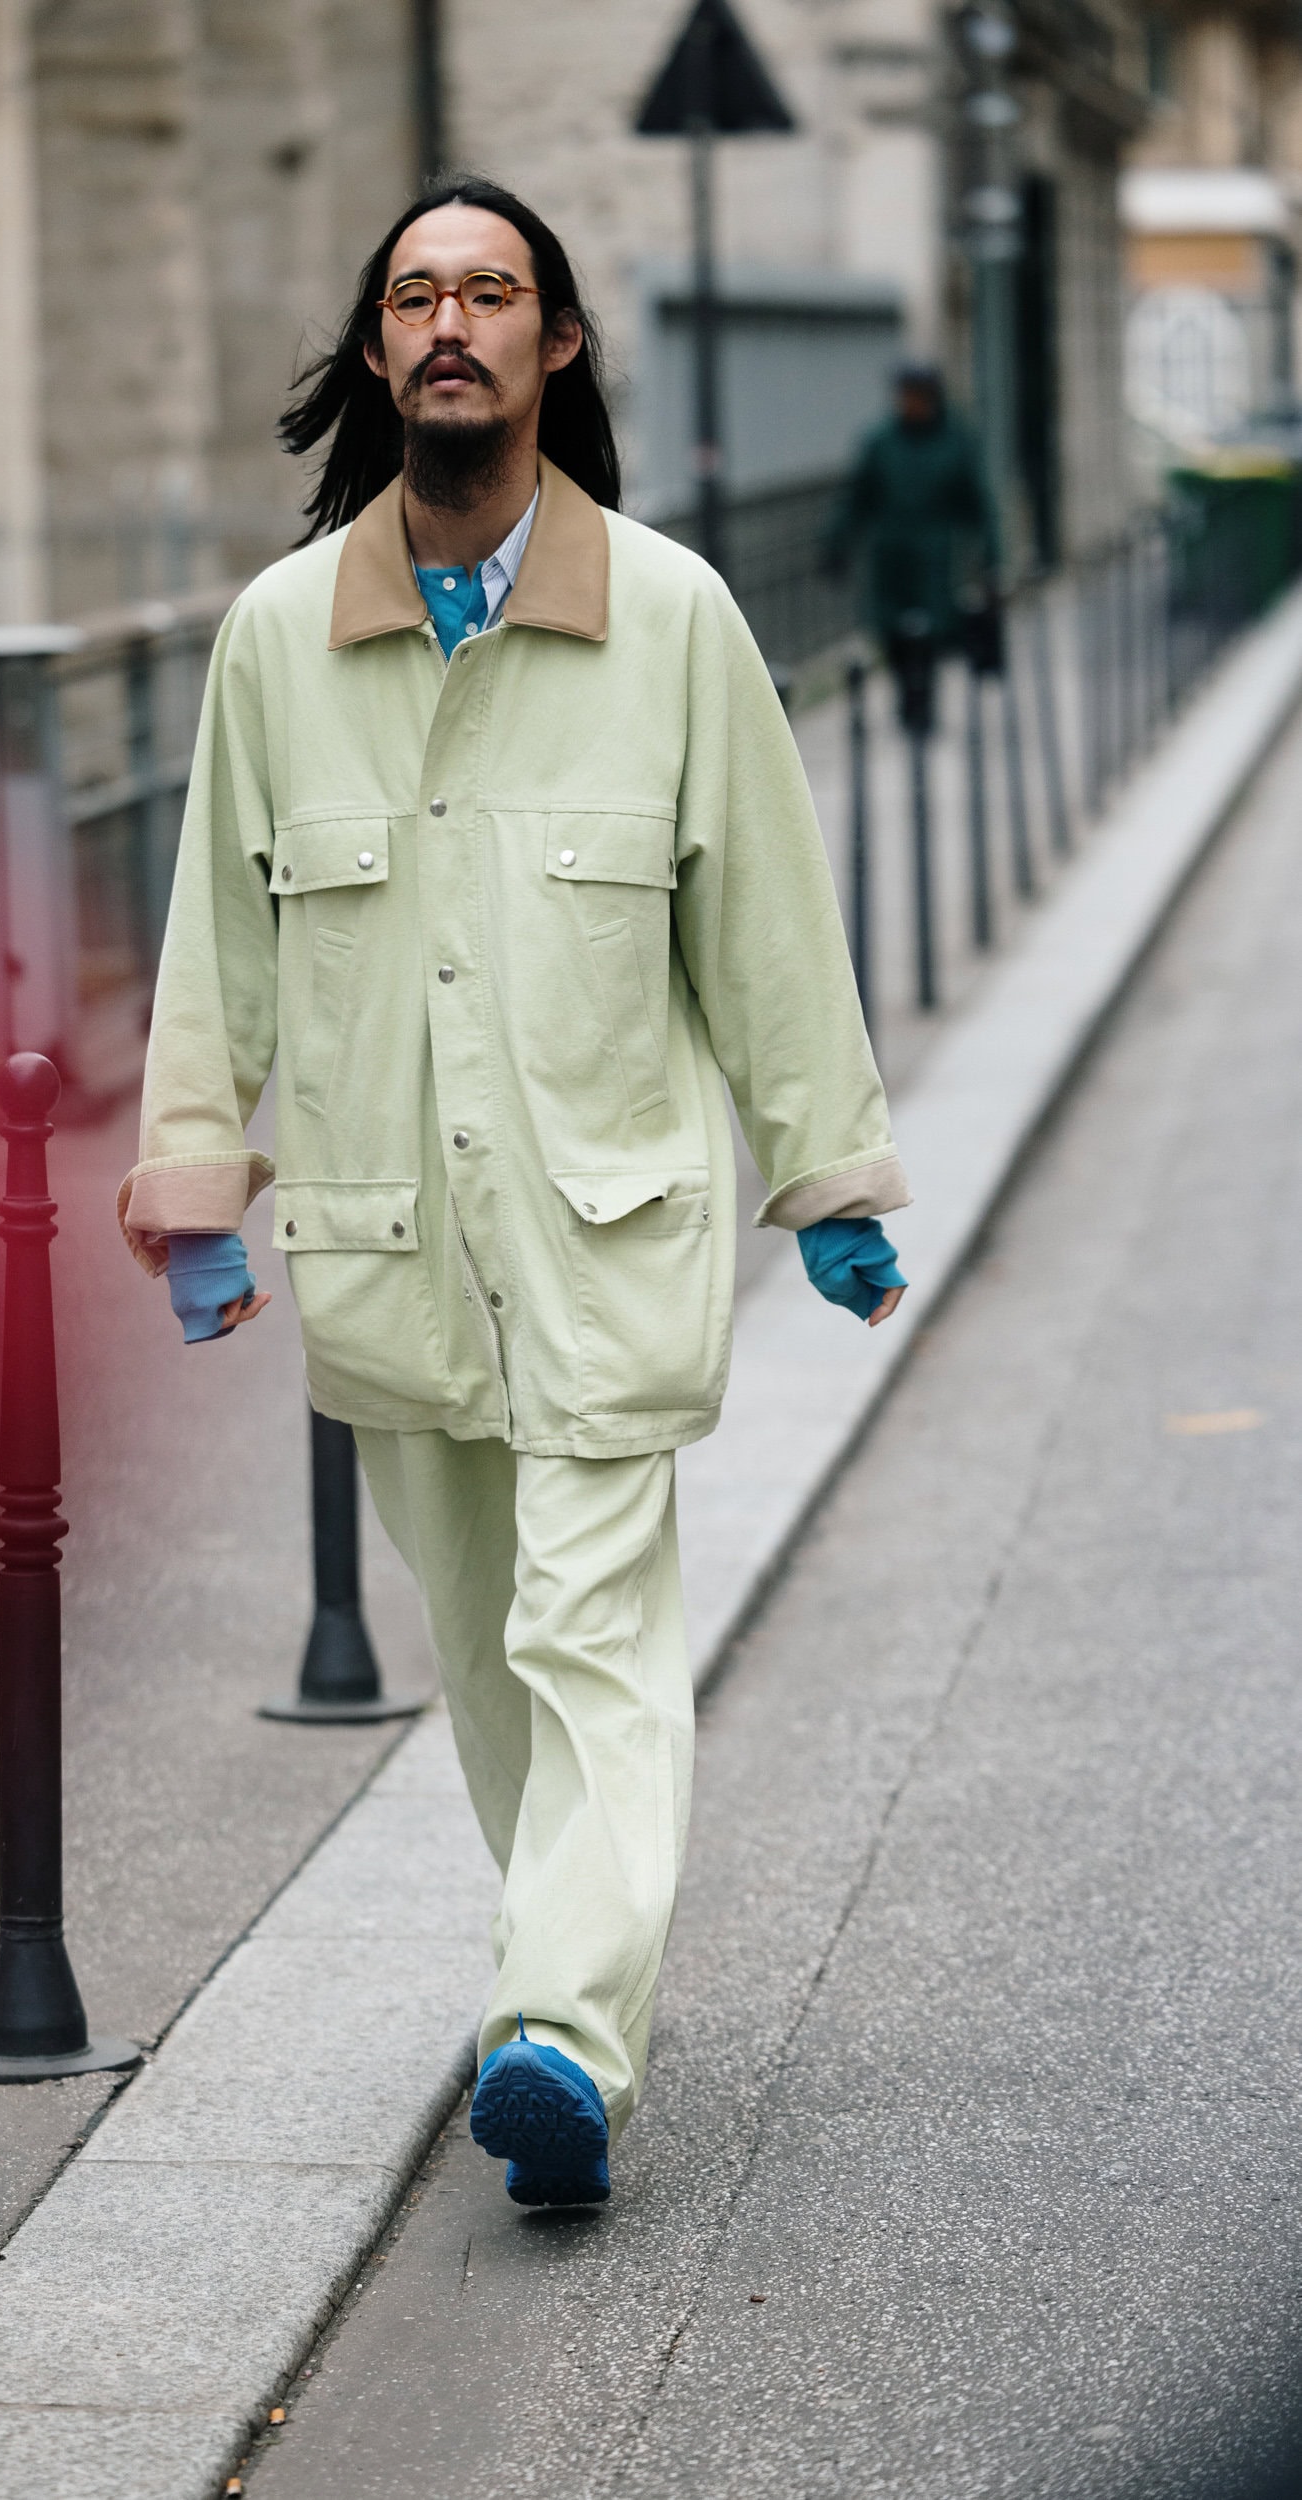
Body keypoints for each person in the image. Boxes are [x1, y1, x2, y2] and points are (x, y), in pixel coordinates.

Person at [118, 176, 909, 2207]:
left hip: (599, 1236)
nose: (450, 323)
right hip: (392, 1251)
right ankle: (563, 1968)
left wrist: (821, 1165)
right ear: (375, 351)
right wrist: (196, 1183)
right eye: (416, 295)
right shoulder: (276, 643)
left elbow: (762, 922)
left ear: (556, 344)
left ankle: (556, 2023)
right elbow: (217, 933)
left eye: (490, 292)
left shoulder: (671, 619)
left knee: (590, 1640)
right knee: (483, 1664)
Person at [824, 360, 1000, 723]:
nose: (910, 404)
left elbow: (978, 502)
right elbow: (857, 497)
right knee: (891, 632)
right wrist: (836, 545)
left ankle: (923, 700)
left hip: (935, 555)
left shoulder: (955, 441)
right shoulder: (881, 441)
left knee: (931, 633)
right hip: (891, 556)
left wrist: (991, 553)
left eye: (917, 397)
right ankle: (905, 691)